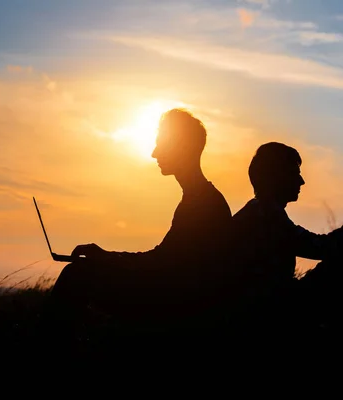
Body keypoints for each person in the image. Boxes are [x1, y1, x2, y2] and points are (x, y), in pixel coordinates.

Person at [48, 108, 232, 331]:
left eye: (161, 144)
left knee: (77, 275)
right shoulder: (199, 199)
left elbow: (162, 264)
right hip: (173, 297)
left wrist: (107, 258)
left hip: (175, 307)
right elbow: (164, 259)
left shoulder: (203, 203)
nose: (154, 154)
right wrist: (106, 257)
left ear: (182, 148)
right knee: (80, 272)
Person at [228, 142, 343, 331]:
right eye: (294, 173)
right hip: (269, 314)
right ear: (276, 177)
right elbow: (320, 247)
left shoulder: (260, 211)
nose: (301, 181)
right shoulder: (265, 214)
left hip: (268, 307)